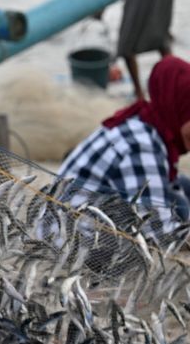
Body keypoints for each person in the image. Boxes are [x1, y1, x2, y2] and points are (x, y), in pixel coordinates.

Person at [58, 55, 190, 238]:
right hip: (73, 238)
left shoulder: (146, 121)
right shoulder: (142, 145)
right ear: (177, 109)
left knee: (182, 187)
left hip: (87, 210)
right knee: (178, 207)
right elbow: (161, 234)